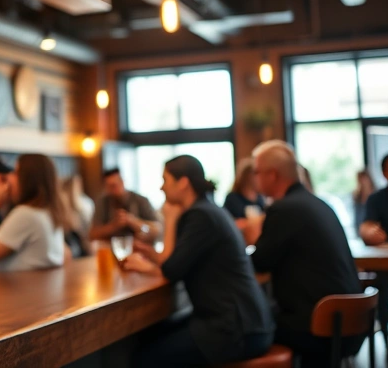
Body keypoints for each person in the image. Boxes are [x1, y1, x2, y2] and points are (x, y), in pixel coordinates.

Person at [123, 155, 273, 367]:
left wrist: (171, 218)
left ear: (183, 182)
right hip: (245, 323)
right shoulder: (208, 210)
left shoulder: (200, 216)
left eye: (165, 180)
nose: (161, 188)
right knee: (152, 335)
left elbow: (171, 269)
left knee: (145, 357)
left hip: (236, 330)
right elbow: (176, 262)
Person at [246, 140, 362, 367]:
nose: (255, 178)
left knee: (246, 331)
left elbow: (260, 262)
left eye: (257, 172)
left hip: (318, 329)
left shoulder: (284, 209)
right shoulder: (319, 204)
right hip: (350, 322)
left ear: (272, 174)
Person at [0, 154, 68, 272]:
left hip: (16, 289)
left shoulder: (25, 215)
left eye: (15, 173)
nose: (9, 178)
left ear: (28, 180)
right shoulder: (48, 212)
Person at [359, 152, 388, 357]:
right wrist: (369, 233)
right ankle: (387, 349)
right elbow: (367, 227)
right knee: (383, 303)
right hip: (385, 265)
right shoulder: (377, 199)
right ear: (385, 174)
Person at [88, 168, 161, 242]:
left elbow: (157, 230)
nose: (113, 190)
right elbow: (92, 234)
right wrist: (113, 226)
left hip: (140, 248)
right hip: (111, 248)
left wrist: (133, 221)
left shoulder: (141, 201)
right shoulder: (102, 203)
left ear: (122, 182)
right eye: (109, 186)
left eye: (114, 185)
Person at [223, 158, 266, 230]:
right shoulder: (232, 199)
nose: (260, 178)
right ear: (247, 176)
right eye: (256, 173)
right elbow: (228, 224)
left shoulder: (260, 199)